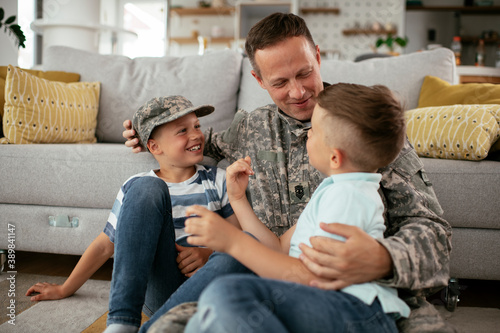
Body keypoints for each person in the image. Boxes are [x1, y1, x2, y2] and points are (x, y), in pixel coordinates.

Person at [123, 13, 453, 332]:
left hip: (349, 298)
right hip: (258, 284)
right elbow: (201, 141)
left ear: (318, 57)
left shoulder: (364, 127)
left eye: (304, 73)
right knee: (217, 282)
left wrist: (384, 258)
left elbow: (434, 236)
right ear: (259, 80)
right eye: (280, 82)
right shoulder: (252, 127)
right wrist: (150, 132)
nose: (297, 92)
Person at [184, 82, 410, 332]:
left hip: (359, 313)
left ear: (335, 157)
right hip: (333, 307)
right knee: (201, 321)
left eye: (314, 129)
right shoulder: (335, 189)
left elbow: (312, 277)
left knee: (228, 293)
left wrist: (232, 242)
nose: (307, 134)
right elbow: (280, 249)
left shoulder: (349, 198)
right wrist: (238, 199)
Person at [27, 95, 241, 333]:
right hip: (163, 289)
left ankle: (167, 325)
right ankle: (121, 324)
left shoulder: (218, 180)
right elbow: (104, 245)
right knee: (146, 187)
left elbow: (241, 239)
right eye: (182, 130)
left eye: (197, 126)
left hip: (209, 287)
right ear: (154, 146)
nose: (196, 135)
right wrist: (66, 288)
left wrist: (209, 254)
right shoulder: (138, 187)